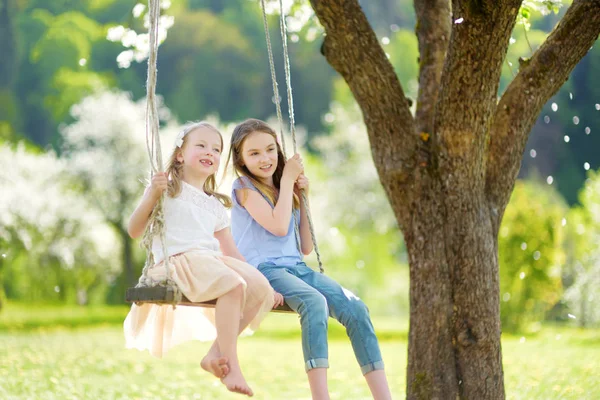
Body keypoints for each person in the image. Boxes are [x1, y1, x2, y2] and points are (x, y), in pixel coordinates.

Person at [227, 118, 392, 399]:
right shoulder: (244, 187)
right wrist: (290, 177)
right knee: (314, 302)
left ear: (278, 150)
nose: (265, 158)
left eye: (270, 149)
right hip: (265, 271)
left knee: (357, 309)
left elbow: (304, 246)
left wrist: (302, 197)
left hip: (297, 268)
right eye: (254, 153)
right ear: (241, 161)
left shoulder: (283, 189)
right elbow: (277, 227)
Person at [124, 121, 283, 397]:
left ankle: (214, 355)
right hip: (177, 263)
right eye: (201, 145)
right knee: (233, 285)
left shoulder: (215, 205)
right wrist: (152, 193)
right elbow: (135, 230)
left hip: (209, 262)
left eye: (216, 149)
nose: (210, 152)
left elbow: (231, 252)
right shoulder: (167, 190)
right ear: (180, 154)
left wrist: (267, 286)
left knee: (257, 287)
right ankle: (231, 364)